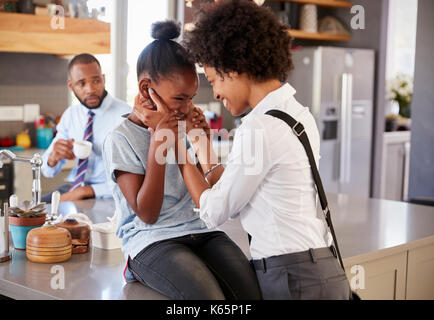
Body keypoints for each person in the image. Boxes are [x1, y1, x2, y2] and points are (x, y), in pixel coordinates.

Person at [160, 0, 350, 300]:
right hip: (322, 271)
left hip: (292, 278)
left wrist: (178, 151)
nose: (217, 93)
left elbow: (214, 211)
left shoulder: (259, 127)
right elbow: (236, 195)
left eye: (213, 80)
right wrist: (201, 145)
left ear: (233, 68)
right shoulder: (296, 113)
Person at [102, 20, 262, 300]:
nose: (187, 107)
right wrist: (159, 140)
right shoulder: (121, 138)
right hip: (151, 241)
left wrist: (201, 140)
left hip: (201, 231)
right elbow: (147, 214)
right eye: (180, 98)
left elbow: (206, 194)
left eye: (191, 98)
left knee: (252, 294)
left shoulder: (182, 125)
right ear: (145, 88)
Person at [41, 54, 131, 203]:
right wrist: (52, 158)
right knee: (34, 213)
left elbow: (137, 177)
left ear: (103, 79)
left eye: (96, 81)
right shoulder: (71, 115)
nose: (90, 89)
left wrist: (87, 191)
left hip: (109, 193)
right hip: (74, 187)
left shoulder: (126, 116)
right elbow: (47, 171)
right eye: (81, 83)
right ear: (71, 86)